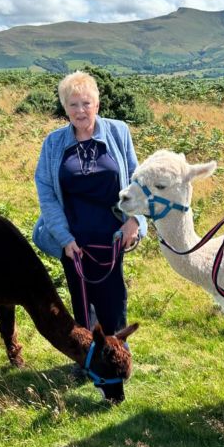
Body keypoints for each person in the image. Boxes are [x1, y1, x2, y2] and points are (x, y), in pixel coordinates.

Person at [32, 71, 146, 335]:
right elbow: (47, 193)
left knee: (113, 300)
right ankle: (89, 357)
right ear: (65, 108)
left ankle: (117, 356)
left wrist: (134, 220)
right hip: (73, 239)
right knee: (82, 301)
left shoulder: (118, 132)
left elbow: (137, 180)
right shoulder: (53, 143)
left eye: (86, 103)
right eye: (73, 104)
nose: (80, 110)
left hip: (112, 235)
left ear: (97, 104)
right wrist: (63, 238)